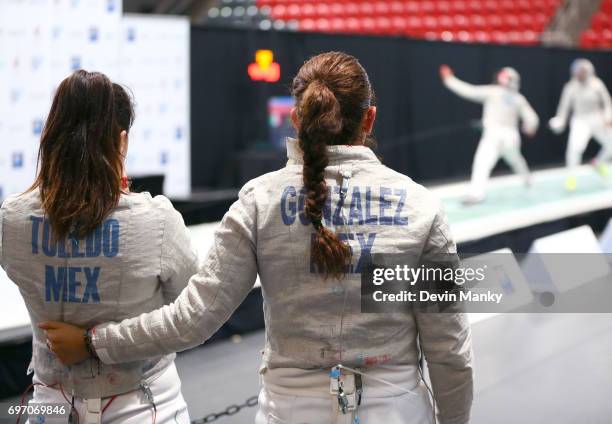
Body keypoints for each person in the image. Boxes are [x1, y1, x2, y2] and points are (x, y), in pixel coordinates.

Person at [40, 53, 473, 424]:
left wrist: (94, 343)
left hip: (289, 410)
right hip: (395, 410)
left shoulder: (259, 201)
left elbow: (194, 317)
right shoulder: (420, 206)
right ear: (370, 118)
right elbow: (448, 346)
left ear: (297, 118)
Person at [0, 70, 198, 424]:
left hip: (49, 404)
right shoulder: (156, 220)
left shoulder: (11, 219)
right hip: (145, 406)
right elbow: (188, 314)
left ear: (52, 136)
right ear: (121, 142)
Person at [440, 64, 539, 205]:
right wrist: (530, 128)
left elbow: (469, 91)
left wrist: (449, 79)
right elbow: (532, 118)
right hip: (510, 136)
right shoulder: (518, 98)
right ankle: (527, 179)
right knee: (516, 160)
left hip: (494, 135)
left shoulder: (494, 92)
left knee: (482, 163)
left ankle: (477, 194)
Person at [548, 58, 612, 191]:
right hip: (580, 120)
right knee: (574, 149)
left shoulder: (597, 84)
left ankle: (598, 163)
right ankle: (571, 177)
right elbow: (564, 107)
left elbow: (606, 102)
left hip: (597, 118)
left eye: (583, 71)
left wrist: (608, 116)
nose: (581, 74)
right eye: (578, 71)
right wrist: (560, 120)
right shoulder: (570, 87)